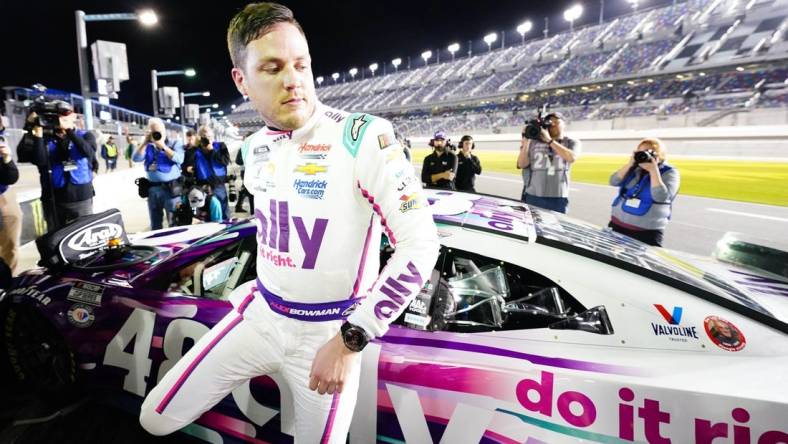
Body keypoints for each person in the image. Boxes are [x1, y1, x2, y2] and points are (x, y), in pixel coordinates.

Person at [139, 3, 440, 442]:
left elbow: (420, 245)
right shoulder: (253, 146)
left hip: (331, 334)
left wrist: (350, 341)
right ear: (241, 80)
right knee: (155, 417)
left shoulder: (363, 137)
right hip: (261, 318)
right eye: (273, 67)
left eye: (302, 64)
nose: (293, 79)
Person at [17, 105, 96, 231]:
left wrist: (69, 131)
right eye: (54, 117)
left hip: (81, 197)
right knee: (56, 238)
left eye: (63, 116)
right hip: (52, 198)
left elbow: (88, 152)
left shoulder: (85, 135)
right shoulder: (43, 138)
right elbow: (39, 161)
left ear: (74, 117)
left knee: (84, 235)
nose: (59, 120)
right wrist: (32, 129)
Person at [609, 137, 680, 247]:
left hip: (645, 232)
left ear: (658, 155)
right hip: (617, 224)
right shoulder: (634, 168)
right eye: (640, 151)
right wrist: (629, 164)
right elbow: (613, 181)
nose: (643, 155)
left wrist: (653, 170)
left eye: (648, 152)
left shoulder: (670, 172)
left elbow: (661, 197)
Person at [516, 112, 581, 213]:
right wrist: (526, 140)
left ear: (564, 124)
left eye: (556, 121)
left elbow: (571, 158)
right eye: (550, 122)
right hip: (534, 195)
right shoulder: (533, 142)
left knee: (555, 227)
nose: (553, 124)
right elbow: (522, 164)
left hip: (558, 197)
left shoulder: (571, 142)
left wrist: (549, 140)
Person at [132, 118, 185, 230]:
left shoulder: (175, 143)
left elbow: (180, 159)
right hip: (153, 190)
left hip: (171, 190)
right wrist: (145, 142)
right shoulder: (148, 146)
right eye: (153, 131)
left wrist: (163, 147)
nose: (156, 134)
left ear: (164, 131)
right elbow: (136, 158)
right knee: (155, 224)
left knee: (174, 222)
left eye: (158, 131)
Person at [184, 125, 231, 220]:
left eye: (210, 137)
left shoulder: (220, 146)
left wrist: (212, 150)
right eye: (205, 137)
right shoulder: (193, 151)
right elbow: (185, 168)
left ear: (213, 136)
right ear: (200, 138)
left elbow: (225, 161)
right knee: (204, 215)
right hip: (202, 188)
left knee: (224, 213)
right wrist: (188, 169)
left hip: (219, 186)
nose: (208, 139)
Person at [0, 121, 21, 274]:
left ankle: (7, 282)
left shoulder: (1, 139)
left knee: (11, 245)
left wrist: (7, 158)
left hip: (4, 195)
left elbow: (11, 177)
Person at [233, 148, 254, 213]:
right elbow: (238, 161)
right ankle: (253, 211)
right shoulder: (243, 148)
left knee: (245, 189)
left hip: (249, 171)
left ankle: (238, 206)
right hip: (246, 171)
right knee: (250, 190)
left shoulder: (243, 147)